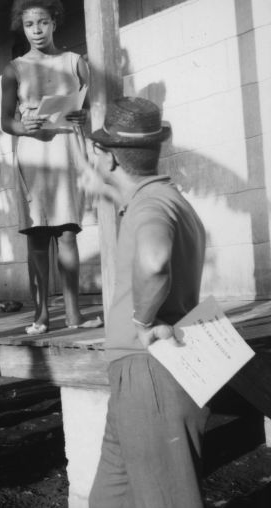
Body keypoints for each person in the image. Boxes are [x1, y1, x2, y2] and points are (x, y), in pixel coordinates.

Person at [76, 97, 209, 508]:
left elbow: (154, 260)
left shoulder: (149, 204)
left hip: (150, 371)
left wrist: (141, 318)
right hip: (143, 376)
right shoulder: (168, 199)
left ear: (111, 160)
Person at [1, 0, 100, 334]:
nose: (37, 29)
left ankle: (74, 315)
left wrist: (82, 117)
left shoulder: (75, 62)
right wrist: (23, 127)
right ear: (22, 28)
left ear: (55, 22)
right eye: (30, 24)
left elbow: (90, 107)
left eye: (43, 22)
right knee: (38, 236)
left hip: (67, 150)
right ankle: (40, 316)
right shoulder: (14, 69)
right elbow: (5, 122)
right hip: (33, 153)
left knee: (68, 233)